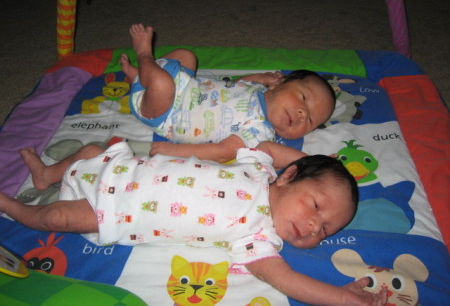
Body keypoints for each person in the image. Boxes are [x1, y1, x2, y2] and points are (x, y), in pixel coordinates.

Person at [0, 142, 386, 306]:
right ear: (288, 177)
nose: (314, 227)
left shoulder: (258, 237)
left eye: (326, 231)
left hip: (112, 208)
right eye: (316, 205)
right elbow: (268, 147)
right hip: (118, 165)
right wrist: (319, 159)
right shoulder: (261, 168)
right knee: (86, 153)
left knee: (54, 218)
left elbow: (285, 281)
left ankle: (17, 209)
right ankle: (47, 175)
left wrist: (342, 298)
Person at [120, 24, 337, 169]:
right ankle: (140, 76)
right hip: (182, 84)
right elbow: (233, 87)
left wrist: (175, 150)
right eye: (303, 98)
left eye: (309, 120)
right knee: (186, 56)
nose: (302, 113)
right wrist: (261, 77)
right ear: (279, 83)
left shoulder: (259, 131)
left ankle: (143, 56)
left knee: (162, 82)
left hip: (163, 111)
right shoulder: (256, 92)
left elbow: (222, 152)